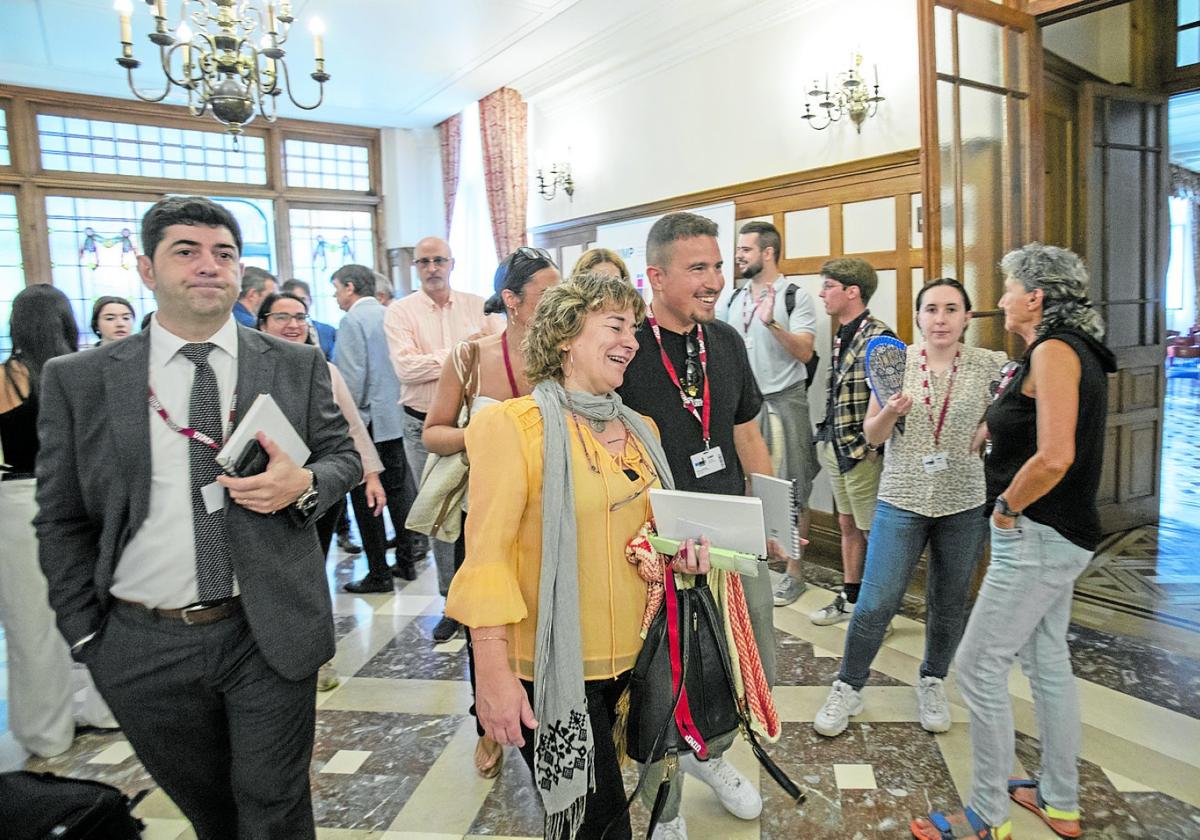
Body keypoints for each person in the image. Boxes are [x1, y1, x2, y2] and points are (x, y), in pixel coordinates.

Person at [34, 196, 361, 840]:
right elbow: (61, 517)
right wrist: (86, 635)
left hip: (265, 627)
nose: (208, 266)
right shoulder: (82, 378)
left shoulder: (292, 362)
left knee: (274, 807)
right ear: (146, 269)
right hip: (141, 640)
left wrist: (305, 484)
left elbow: (342, 457)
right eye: (186, 251)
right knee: (210, 812)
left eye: (225, 253)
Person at [446, 272, 697, 840]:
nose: (631, 341)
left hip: (637, 656)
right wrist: (492, 674)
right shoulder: (512, 428)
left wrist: (682, 556)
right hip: (551, 667)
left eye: (634, 328)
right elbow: (485, 558)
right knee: (598, 827)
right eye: (615, 326)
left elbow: (652, 534)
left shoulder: (641, 429)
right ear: (565, 337)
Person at [912, 245, 1116, 840]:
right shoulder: (1075, 348)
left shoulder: (1053, 350)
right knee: (1047, 661)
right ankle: (1059, 800)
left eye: (1007, 288)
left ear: (1036, 296)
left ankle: (984, 816)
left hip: (1037, 533)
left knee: (977, 667)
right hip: (1063, 534)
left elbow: (1055, 456)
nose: (999, 300)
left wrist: (1006, 507)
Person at [617, 212, 776, 838]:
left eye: (717, 265)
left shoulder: (727, 342)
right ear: (655, 276)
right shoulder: (627, 349)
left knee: (734, 661)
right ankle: (666, 806)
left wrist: (770, 518)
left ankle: (709, 756)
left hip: (731, 539)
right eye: (698, 269)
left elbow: (745, 433)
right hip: (659, 546)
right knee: (663, 677)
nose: (715, 280)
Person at [813, 278, 1005, 739]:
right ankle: (848, 685)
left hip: (963, 500)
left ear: (966, 317)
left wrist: (989, 430)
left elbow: (1004, 421)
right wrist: (890, 412)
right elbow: (873, 436)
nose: (941, 318)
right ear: (918, 317)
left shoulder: (989, 366)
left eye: (951, 309)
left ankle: (933, 679)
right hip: (902, 498)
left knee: (948, 601)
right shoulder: (894, 362)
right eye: (932, 309)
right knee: (877, 601)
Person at [424, 247, 560, 780]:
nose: (558, 304)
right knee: (488, 622)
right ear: (512, 300)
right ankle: (487, 718)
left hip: (552, 512)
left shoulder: (565, 353)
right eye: (547, 295)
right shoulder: (471, 355)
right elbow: (434, 432)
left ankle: (547, 713)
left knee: (545, 618)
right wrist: (490, 435)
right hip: (486, 513)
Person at [1, 285, 115, 760]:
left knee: (30, 623)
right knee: (100, 608)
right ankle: (109, 709)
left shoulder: (9, 377)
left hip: (20, 497)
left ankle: (45, 731)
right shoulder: (86, 371)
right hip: (86, 499)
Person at [258, 289, 387, 691]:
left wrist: (371, 475)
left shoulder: (323, 368)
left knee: (311, 568)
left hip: (316, 486)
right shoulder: (246, 370)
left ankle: (317, 657)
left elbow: (351, 427)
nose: (293, 324)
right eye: (282, 317)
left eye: (300, 316)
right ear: (262, 324)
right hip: (257, 490)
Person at [384, 236, 500, 642]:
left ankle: (480, 596)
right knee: (439, 511)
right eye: (423, 262)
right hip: (422, 426)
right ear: (415, 267)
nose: (432, 268)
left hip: (474, 423)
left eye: (439, 260)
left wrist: (449, 357)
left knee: (479, 510)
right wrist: (460, 354)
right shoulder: (400, 312)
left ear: (452, 263)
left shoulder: (476, 305)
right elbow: (406, 369)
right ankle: (450, 603)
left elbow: (492, 355)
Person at [721, 220, 818, 606]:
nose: (739, 256)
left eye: (745, 249)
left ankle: (795, 571)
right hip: (743, 403)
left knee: (795, 484)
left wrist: (772, 323)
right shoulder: (732, 298)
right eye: (738, 249)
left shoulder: (796, 296)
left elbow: (806, 352)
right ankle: (751, 562)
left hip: (785, 399)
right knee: (743, 485)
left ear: (767, 252)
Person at [811, 257, 896, 626]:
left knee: (870, 529)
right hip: (837, 443)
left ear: (852, 292)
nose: (822, 293)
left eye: (828, 286)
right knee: (846, 523)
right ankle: (851, 594)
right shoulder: (841, 332)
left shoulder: (881, 337)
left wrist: (872, 447)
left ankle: (879, 611)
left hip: (864, 450)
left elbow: (893, 402)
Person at [332, 264, 426, 590]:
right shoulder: (392, 314)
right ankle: (407, 560)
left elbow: (351, 382)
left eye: (337, 289)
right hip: (397, 418)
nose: (335, 296)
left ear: (350, 287)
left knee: (366, 498)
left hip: (368, 422)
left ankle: (378, 572)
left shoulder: (352, 320)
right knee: (399, 494)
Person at [282, 278, 337, 359]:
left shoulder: (328, 331)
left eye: (302, 299)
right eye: (293, 300)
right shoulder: (280, 330)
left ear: (310, 300)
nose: (299, 304)